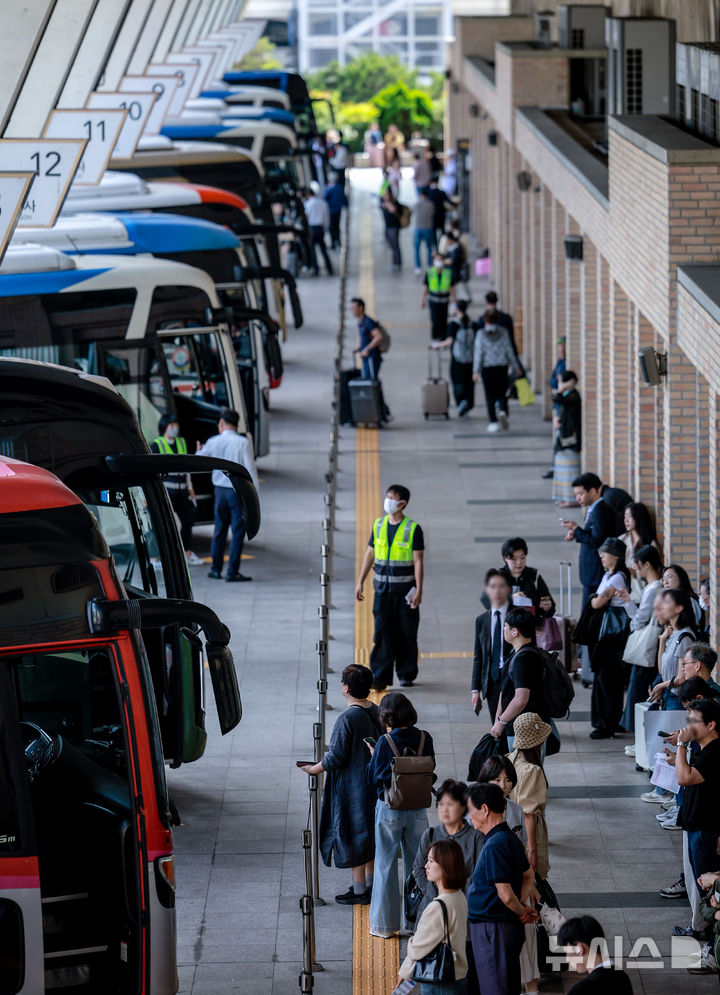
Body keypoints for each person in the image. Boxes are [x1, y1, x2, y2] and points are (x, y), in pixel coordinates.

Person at [298, 665, 381, 905]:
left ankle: (358, 890)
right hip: (373, 783)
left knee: (354, 834)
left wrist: (314, 768)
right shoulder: (375, 710)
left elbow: (336, 756)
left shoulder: (347, 718)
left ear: (345, 687)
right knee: (370, 836)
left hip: (352, 788)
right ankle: (372, 884)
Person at [367, 693, 435, 938]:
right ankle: (416, 921)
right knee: (417, 865)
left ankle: (384, 926)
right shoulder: (425, 738)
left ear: (387, 716)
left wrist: (375, 754)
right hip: (418, 809)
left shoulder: (385, 742)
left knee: (385, 864)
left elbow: (374, 776)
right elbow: (431, 769)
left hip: (390, 809)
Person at [465, 783, 539, 995]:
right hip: (500, 928)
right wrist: (522, 904)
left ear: (485, 809)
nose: (469, 817)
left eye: (471, 811)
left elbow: (505, 895)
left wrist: (521, 911)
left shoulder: (495, 845)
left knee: (495, 987)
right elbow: (529, 875)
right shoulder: (509, 838)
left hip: (493, 930)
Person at [355, 485, 424, 691]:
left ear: (402, 503)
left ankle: (406, 673)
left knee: (406, 633)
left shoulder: (413, 528)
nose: (388, 501)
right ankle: (380, 676)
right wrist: (360, 581)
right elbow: (369, 554)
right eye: (387, 497)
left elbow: (418, 562)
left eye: (392, 498)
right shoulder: (378, 525)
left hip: (405, 593)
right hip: (382, 592)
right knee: (382, 633)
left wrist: (419, 591)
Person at [561, 472, 615, 685]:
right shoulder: (594, 509)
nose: (578, 498)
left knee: (590, 618)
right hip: (590, 574)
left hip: (594, 575)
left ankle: (589, 662)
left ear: (593, 490)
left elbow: (596, 540)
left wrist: (577, 530)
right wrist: (577, 533)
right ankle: (586, 659)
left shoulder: (601, 511)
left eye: (581, 493)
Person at [668, 698, 720, 916]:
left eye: (694, 721)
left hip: (706, 829)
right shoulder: (705, 749)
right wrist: (678, 758)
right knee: (701, 883)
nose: (688, 726)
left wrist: (681, 745)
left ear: (711, 725)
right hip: (697, 826)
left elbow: (684, 778)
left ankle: (710, 939)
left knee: (707, 887)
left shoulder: (714, 752)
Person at [399, 839, 469, 994]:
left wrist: (404, 975)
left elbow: (418, 949)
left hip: (439, 982)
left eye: (431, 861)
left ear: (445, 866)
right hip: (457, 976)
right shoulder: (460, 897)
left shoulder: (437, 907)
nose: (426, 866)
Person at [198, 408, 258, 582]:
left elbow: (200, 458)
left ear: (222, 423)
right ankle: (233, 572)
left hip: (219, 492)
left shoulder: (213, 441)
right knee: (237, 532)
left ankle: (215, 569)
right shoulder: (243, 443)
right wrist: (254, 496)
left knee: (219, 531)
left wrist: (199, 450)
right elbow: (250, 469)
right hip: (236, 491)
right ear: (236, 424)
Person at [412, 779, 484, 923]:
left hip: (463, 912)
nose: (444, 809)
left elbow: (478, 876)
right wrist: (433, 894)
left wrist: (453, 898)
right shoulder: (430, 834)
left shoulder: (477, 838)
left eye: (450, 804)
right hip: (431, 909)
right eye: (441, 804)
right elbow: (418, 868)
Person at [585, 537, 631, 739]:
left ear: (617, 556)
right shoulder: (610, 575)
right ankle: (610, 720)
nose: (601, 556)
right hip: (607, 638)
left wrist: (594, 597)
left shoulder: (616, 579)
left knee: (607, 680)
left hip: (611, 639)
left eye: (606, 552)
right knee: (606, 679)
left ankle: (606, 724)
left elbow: (597, 603)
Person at [617, 544, 663, 734]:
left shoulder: (653, 589)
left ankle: (637, 730)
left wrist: (633, 624)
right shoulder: (653, 587)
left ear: (647, 565)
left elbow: (640, 620)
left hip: (647, 646)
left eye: (638, 564)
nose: (635, 568)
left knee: (638, 687)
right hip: (651, 644)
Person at [491, 608, 547, 748]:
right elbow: (505, 690)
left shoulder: (524, 659)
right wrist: (499, 720)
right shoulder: (518, 654)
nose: (503, 630)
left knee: (524, 769)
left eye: (505, 627)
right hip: (519, 726)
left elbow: (521, 699)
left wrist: (501, 722)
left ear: (514, 632)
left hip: (525, 730)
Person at [151, 412, 201, 565]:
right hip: (167, 490)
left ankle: (187, 553)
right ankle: (155, 556)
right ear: (164, 427)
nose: (175, 428)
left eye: (176, 425)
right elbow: (152, 471)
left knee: (187, 522)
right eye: (172, 425)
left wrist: (190, 489)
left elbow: (186, 467)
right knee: (160, 522)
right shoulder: (157, 444)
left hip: (181, 490)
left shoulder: (182, 442)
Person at [507, 713, 550, 881]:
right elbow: (529, 814)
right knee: (533, 881)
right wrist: (532, 851)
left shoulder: (509, 759)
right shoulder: (532, 770)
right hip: (526, 835)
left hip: (510, 828)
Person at [471, 569, 513, 725]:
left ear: (508, 589)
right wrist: (475, 689)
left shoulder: (517, 616)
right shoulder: (482, 620)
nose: (497, 591)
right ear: (487, 590)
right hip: (492, 680)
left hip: (513, 678)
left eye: (501, 586)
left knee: (512, 727)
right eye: (492, 586)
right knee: (496, 726)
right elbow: (478, 656)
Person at [647, 589, 698, 714]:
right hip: (669, 696)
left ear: (678, 608)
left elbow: (682, 678)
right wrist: (662, 641)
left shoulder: (684, 637)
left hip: (678, 700)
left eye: (666, 603)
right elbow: (662, 670)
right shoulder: (673, 634)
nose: (661, 607)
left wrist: (660, 686)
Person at [558, 915, 633, 993]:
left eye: (567, 952)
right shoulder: (622, 977)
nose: (567, 959)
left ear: (579, 949)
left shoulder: (581, 990)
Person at [471, 317, 521, 434]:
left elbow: (479, 354)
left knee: (489, 395)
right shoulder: (503, 332)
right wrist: (516, 367)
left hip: (487, 368)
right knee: (501, 392)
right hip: (502, 366)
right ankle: (502, 409)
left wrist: (475, 371)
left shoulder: (481, 334)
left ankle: (493, 421)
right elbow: (509, 350)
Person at [491, 538, 555, 619]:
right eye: (514, 559)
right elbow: (488, 602)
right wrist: (511, 598)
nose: (519, 562)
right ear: (505, 558)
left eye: (522, 558)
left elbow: (549, 605)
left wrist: (546, 607)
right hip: (505, 627)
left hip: (531, 627)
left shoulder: (533, 576)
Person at [350, 296, 391, 423]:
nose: (352, 311)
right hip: (367, 359)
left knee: (371, 385)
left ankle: (379, 413)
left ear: (361, 308)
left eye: (353, 308)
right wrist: (359, 348)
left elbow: (378, 337)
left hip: (372, 359)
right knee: (368, 384)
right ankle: (372, 413)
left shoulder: (368, 322)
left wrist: (367, 349)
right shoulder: (361, 322)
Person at [432, 299, 476, 416]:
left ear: (457, 309)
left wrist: (437, 345)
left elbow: (449, 341)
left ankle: (461, 401)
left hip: (457, 359)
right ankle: (468, 402)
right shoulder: (472, 323)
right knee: (469, 383)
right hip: (471, 359)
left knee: (457, 381)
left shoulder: (454, 324)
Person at [550, 371, 582, 503]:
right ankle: (563, 497)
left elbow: (556, 397)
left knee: (569, 468)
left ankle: (571, 499)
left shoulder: (573, 396)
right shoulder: (567, 394)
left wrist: (564, 387)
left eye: (562, 381)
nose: (559, 384)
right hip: (563, 434)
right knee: (560, 466)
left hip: (571, 437)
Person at [478, 292, 521, 370]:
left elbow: (479, 345)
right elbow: (510, 340)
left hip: (487, 361)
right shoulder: (506, 318)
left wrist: (476, 368)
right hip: (502, 359)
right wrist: (515, 358)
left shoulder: (482, 320)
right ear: (496, 302)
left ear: (486, 302)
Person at [422, 252, 455, 342]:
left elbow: (452, 289)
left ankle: (443, 338)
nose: (438, 261)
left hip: (444, 301)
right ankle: (435, 338)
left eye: (440, 259)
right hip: (433, 301)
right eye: (436, 259)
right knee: (435, 320)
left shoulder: (448, 273)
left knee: (443, 320)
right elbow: (426, 287)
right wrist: (423, 300)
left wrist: (454, 302)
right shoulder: (430, 272)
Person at [303, 187, 333, 276]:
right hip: (320, 227)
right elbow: (326, 217)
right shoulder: (322, 203)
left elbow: (306, 217)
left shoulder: (307, 204)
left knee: (313, 251)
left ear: (308, 195)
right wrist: (325, 228)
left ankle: (316, 269)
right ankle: (329, 268)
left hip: (311, 228)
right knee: (323, 249)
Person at [662, 563, 704, 628]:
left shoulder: (690, 600)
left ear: (680, 578)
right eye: (663, 579)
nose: (665, 582)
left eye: (669, 577)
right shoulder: (672, 601)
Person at [413, 187, 436, 274]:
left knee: (416, 249)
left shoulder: (417, 204)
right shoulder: (431, 204)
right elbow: (433, 214)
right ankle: (429, 264)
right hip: (428, 228)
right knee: (429, 247)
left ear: (421, 195)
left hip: (418, 228)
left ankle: (418, 267)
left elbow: (412, 212)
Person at [324, 172, 348, 250]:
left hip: (330, 211)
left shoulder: (329, 189)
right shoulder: (340, 188)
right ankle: (338, 240)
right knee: (337, 226)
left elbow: (325, 199)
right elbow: (344, 199)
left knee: (331, 227)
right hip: (338, 210)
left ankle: (333, 242)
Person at [380, 188, 402, 271]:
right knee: (392, 246)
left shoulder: (394, 203)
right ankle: (395, 263)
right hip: (388, 227)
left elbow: (393, 210)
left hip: (394, 227)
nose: (385, 196)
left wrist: (387, 203)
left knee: (395, 246)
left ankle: (397, 264)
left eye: (386, 194)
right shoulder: (384, 203)